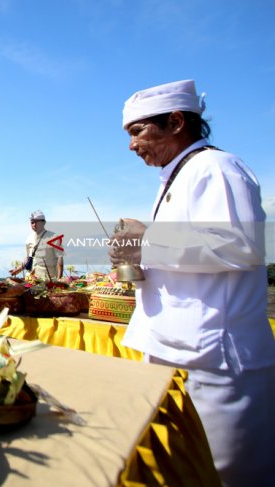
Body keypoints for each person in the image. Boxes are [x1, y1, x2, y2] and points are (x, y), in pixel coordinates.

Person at [110, 80, 275, 484]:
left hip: (216, 362)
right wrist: (136, 258)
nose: (132, 145)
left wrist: (145, 241)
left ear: (176, 122)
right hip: (181, 353)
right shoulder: (178, 175)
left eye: (137, 132)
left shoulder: (216, 168)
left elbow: (239, 246)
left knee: (229, 475)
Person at [9, 210, 63, 280]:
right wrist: (17, 270)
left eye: (37, 222)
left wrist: (59, 279)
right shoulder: (29, 238)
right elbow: (28, 258)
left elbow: (60, 259)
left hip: (49, 279)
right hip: (32, 278)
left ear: (44, 222)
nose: (34, 225)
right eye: (32, 222)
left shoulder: (54, 237)